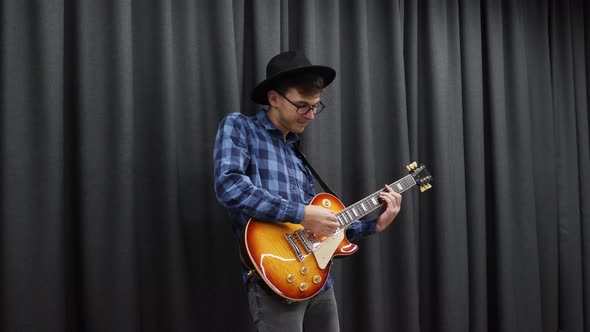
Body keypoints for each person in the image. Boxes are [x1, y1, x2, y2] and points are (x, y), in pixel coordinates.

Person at [213, 50, 402, 332]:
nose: (311, 115)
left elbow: (320, 230)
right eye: (303, 106)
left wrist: (375, 225)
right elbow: (230, 186)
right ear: (274, 98)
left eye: (315, 106)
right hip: (275, 281)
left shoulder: (296, 152)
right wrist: (301, 213)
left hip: (320, 281)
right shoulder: (240, 127)